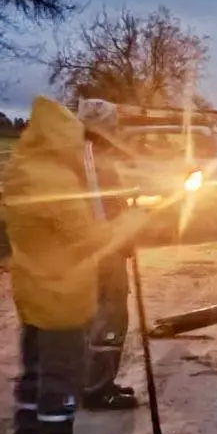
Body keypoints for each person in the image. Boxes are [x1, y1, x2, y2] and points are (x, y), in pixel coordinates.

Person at [3, 96, 151, 434]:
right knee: (62, 375)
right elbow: (86, 240)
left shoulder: (24, 169)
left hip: (32, 286)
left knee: (34, 371)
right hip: (62, 294)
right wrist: (129, 224)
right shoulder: (56, 179)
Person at [77, 98, 139, 412]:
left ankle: (91, 383)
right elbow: (101, 210)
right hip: (102, 251)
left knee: (93, 317)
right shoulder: (92, 157)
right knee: (111, 316)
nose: (117, 129)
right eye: (112, 124)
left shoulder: (83, 153)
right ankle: (99, 390)